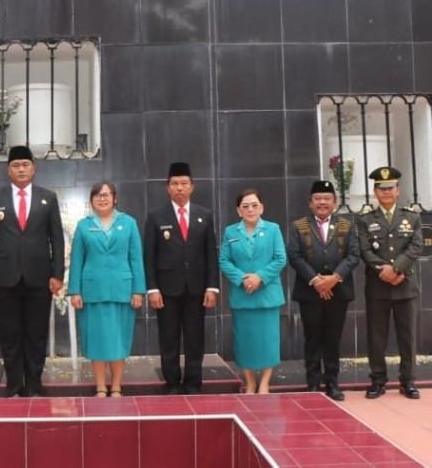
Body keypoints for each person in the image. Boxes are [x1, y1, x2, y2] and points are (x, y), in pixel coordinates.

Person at [0, 145, 65, 397]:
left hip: (39, 278)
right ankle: (14, 384)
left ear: (33, 169)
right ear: (8, 170)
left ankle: (34, 383)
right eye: (16, 165)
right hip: (5, 279)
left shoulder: (47, 198)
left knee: (37, 334)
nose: (21, 169)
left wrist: (57, 275)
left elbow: (56, 239)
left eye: (25, 165)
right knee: (10, 334)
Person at [143, 162, 219, 394]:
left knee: (195, 338)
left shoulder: (204, 216)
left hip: (197, 289)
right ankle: (172, 383)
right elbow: (149, 256)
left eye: (184, 183)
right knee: (169, 337)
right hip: (167, 289)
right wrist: (152, 289)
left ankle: (193, 382)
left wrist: (212, 287)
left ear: (192, 187)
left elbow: (211, 254)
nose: (179, 188)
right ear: (167, 188)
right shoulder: (156, 216)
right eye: (175, 184)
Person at [68, 182, 145, 397]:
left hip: (122, 290)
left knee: (119, 339)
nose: (102, 199)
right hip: (92, 292)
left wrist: (138, 290)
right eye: (97, 195)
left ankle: (117, 385)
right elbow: (76, 260)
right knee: (97, 340)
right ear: (91, 200)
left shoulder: (129, 223)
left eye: (106, 195)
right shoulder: (84, 225)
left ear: (115, 198)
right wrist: (75, 290)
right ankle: (101, 386)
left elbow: (136, 259)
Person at [287, 179, 359, 401]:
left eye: (327, 198)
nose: (322, 203)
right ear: (310, 203)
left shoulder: (346, 225)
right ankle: (313, 382)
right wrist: (316, 281)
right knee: (312, 337)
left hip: (338, 291)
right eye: (317, 198)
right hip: (310, 292)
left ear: (334, 202)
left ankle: (332, 382)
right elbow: (294, 256)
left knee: (333, 338)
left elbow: (353, 255)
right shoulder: (298, 226)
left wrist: (334, 278)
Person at [357, 166, 423, 399]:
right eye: (381, 188)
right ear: (375, 192)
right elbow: (364, 250)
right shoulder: (365, 219)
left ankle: (408, 381)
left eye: (390, 188)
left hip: (406, 285)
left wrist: (396, 268)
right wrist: (383, 270)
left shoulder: (412, 216)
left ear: (398, 190)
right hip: (378, 287)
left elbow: (416, 245)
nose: (386, 192)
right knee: (376, 337)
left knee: (408, 337)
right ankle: (378, 380)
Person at [219, 188, 286, 394]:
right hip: (243, 295)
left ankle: (265, 382)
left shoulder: (273, 229)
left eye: (254, 205)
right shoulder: (231, 232)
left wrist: (260, 277)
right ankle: (249, 382)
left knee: (268, 341)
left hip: (267, 295)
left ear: (262, 208)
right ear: (238, 211)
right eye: (245, 206)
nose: (250, 209)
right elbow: (224, 260)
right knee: (245, 342)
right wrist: (242, 278)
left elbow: (280, 258)